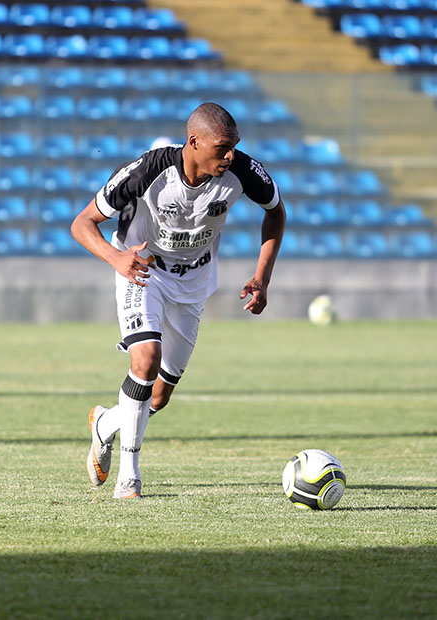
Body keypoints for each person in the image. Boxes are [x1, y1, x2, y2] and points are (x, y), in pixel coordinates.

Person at [70, 102, 286, 499]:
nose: (230, 155)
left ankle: (105, 424)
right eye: (222, 147)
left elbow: (276, 213)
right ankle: (129, 477)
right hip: (144, 271)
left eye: (234, 146)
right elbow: (82, 222)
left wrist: (262, 277)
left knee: (158, 395)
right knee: (145, 360)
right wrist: (116, 257)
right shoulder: (147, 171)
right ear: (194, 141)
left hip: (194, 282)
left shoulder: (242, 172)